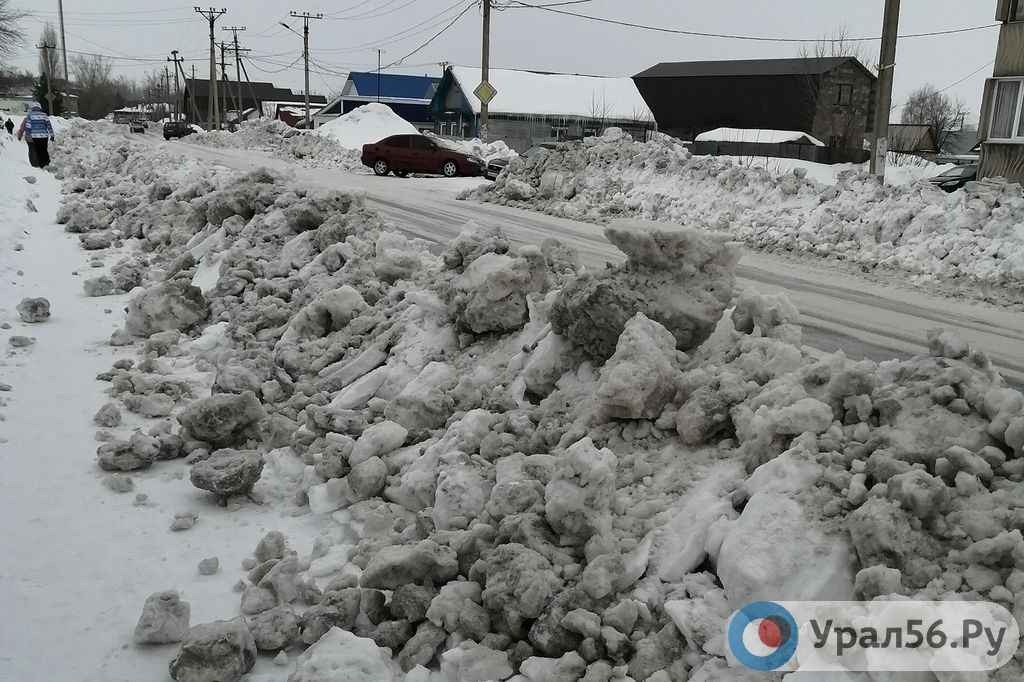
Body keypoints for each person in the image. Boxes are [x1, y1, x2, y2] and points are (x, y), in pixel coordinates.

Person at [16, 104, 55, 169]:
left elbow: (23, 128)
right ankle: (43, 164)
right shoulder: (44, 115)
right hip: (43, 136)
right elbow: (49, 125)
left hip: (31, 137)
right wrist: (52, 134)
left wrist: (20, 136)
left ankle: (34, 164)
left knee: (32, 150)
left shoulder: (28, 117)